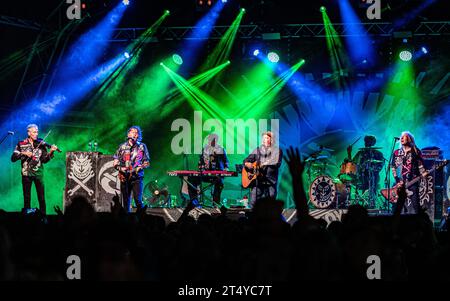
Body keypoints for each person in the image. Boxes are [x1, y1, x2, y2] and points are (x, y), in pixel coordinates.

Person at [11, 124, 58, 215]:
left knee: (41, 198)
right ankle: (27, 219)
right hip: (26, 174)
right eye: (34, 132)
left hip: (39, 174)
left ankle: (43, 217)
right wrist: (23, 153)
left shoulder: (41, 144)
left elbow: (44, 160)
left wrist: (51, 152)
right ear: (28, 133)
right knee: (27, 198)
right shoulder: (21, 144)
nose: (36, 134)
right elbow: (13, 158)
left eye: (37, 132)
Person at [113, 126, 150, 213]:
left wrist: (140, 167)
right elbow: (115, 162)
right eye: (132, 132)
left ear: (138, 135)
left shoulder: (142, 146)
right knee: (126, 202)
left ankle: (142, 219)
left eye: (136, 133)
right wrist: (120, 169)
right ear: (128, 134)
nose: (133, 134)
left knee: (138, 200)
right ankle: (127, 222)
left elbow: (147, 163)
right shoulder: (122, 146)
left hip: (137, 177)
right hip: (124, 177)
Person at [390, 131, 428, 214]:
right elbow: (393, 167)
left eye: (405, 136)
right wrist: (397, 180)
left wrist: (424, 173)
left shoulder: (415, 151)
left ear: (409, 139)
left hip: (412, 182)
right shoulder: (396, 152)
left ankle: (420, 224)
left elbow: (420, 164)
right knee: (396, 208)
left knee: (416, 206)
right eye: (401, 136)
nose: (402, 138)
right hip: (399, 184)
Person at [188, 133, 229, 207]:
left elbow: (226, 161)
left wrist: (225, 169)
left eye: (212, 140)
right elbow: (200, 161)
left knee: (219, 182)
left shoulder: (221, 149)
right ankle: (194, 202)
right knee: (191, 178)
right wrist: (201, 166)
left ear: (216, 140)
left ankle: (216, 203)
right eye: (209, 140)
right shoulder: (205, 148)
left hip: (217, 174)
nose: (210, 141)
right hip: (205, 174)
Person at [244, 131, 282, 207]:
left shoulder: (277, 151)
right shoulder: (257, 150)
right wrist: (248, 164)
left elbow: (277, 163)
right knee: (253, 203)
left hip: (270, 181)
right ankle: (253, 218)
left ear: (273, 140)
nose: (266, 140)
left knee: (271, 204)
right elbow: (246, 160)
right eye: (264, 138)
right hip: (258, 181)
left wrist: (265, 163)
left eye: (268, 138)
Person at [346, 135, 385, 208]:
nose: (366, 143)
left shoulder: (378, 153)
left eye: (369, 141)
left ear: (373, 143)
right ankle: (362, 204)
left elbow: (381, 165)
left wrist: (372, 169)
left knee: (372, 180)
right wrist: (349, 153)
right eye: (366, 141)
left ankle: (372, 203)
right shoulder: (360, 153)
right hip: (361, 176)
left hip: (373, 176)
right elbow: (352, 164)